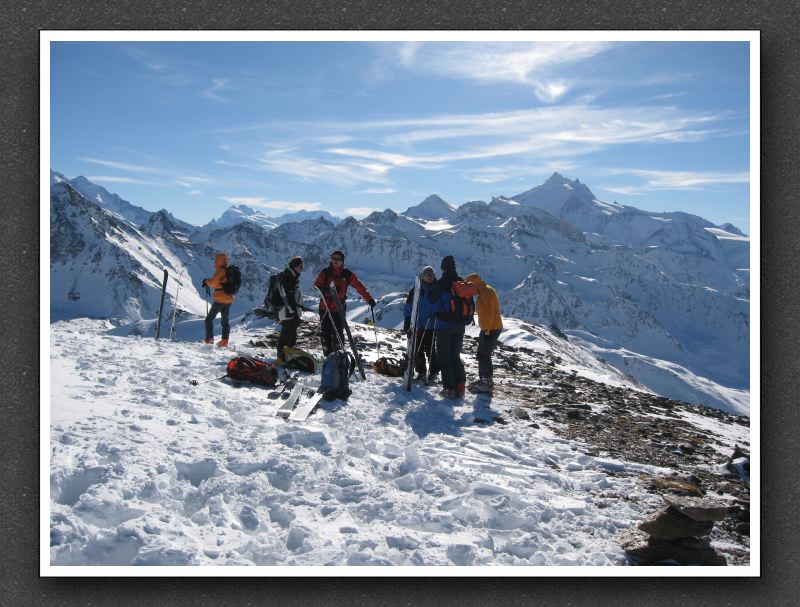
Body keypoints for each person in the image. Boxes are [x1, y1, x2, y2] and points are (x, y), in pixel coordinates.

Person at [313, 250, 376, 356]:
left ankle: (339, 355)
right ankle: (327, 356)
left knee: (338, 332)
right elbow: (316, 285)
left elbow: (359, 287)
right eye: (333, 258)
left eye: (338, 259)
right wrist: (329, 290)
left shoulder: (347, 274)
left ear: (342, 261)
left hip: (338, 309)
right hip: (325, 308)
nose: (335, 261)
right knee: (326, 333)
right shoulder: (326, 272)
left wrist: (369, 299)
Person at [429, 255, 475, 399]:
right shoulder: (462, 283)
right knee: (455, 356)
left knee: (444, 357)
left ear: (443, 268)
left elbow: (433, 303)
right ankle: (460, 387)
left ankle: (449, 389)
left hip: (444, 326)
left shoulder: (441, 283)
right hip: (460, 326)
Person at [465, 272, 503, 393]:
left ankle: (487, 382)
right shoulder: (484, 290)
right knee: (481, 354)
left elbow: (490, 313)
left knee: (484, 355)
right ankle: (483, 379)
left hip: (491, 328)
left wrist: (487, 330)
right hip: (489, 327)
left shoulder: (485, 293)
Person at [403, 265, 439, 383]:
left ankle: (433, 373)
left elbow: (439, 305)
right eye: (428, 275)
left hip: (430, 324)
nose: (430, 277)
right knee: (417, 349)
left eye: (432, 275)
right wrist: (408, 321)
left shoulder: (436, 289)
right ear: (423, 276)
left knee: (430, 350)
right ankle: (422, 372)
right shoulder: (416, 289)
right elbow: (409, 306)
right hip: (418, 324)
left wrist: (435, 314)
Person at [276, 256, 306, 362]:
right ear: (294, 266)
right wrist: (293, 311)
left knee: (289, 333)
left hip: (288, 310)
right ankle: (283, 356)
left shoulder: (290, 276)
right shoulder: (288, 277)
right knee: (288, 334)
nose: (302, 269)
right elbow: (287, 296)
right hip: (287, 311)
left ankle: (285, 355)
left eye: (303, 267)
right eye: (300, 267)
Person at [202, 251, 233, 347]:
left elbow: (214, 283)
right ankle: (224, 341)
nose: (215, 262)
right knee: (225, 321)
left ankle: (209, 339)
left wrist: (206, 281)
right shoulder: (228, 270)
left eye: (216, 260)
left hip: (220, 298)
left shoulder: (221, 270)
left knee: (209, 319)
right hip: (229, 299)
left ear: (219, 260)